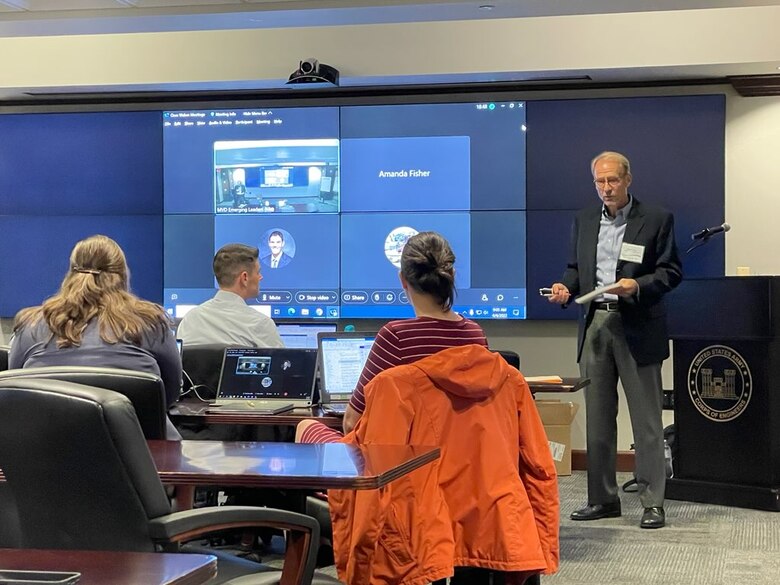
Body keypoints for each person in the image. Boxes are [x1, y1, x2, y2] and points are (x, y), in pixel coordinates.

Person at [547, 151, 682, 529]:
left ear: (628, 180)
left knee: (647, 421)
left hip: (637, 324)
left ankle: (653, 502)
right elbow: (576, 270)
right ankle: (602, 499)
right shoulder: (585, 219)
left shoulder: (656, 218)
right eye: (599, 182)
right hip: (595, 325)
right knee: (599, 419)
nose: (606, 188)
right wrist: (564, 288)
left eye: (612, 181)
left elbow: (671, 272)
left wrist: (636, 285)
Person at [298, 231, 487, 443]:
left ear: (403, 280)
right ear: (451, 274)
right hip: (463, 461)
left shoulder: (396, 337)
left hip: (405, 465)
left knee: (307, 426)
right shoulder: (475, 335)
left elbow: (352, 422)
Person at [9, 234, 182, 439]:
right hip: (143, 455)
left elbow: (15, 389)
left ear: (71, 273)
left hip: (46, 456)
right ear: (123, 274)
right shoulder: (151, 322)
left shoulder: (31, 324)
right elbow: (169, 394)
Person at [177, 243, 283, 347]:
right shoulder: (261, 325)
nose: (260, 277)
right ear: (244, 278)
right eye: (258, 272)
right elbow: (284, 363)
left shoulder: (189, 320)